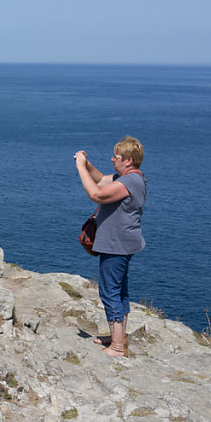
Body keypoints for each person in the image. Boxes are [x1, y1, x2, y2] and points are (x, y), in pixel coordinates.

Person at [74, 136, 147, 358]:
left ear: (128, 161)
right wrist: (87, 165)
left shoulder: (129, 182)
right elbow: (101, 179)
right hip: (121, 243)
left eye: (116, 157)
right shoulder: (128, 178)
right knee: (120, 291)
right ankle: (118, 337)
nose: (112, 159)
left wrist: (79, 167)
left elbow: (96, 193)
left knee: (110, 291)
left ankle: (117, 347)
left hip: (117, 246)